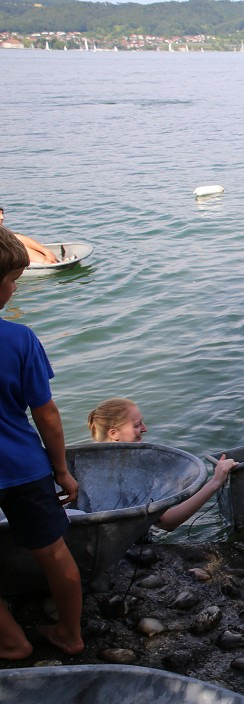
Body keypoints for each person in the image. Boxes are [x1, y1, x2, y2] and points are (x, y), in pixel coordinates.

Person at [0, 226, 83, 658]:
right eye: (12, 279)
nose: (15, 287)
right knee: (53, 552)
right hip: (24, 466)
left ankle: (12, 642)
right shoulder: (19, 339)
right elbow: (46, 414)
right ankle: (70, 634)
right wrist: (62, 469)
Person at [86, 398, 238, 532]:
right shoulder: (124, 475)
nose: (145, 429)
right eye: (137, 425)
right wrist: (215, 482)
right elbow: (167, 523)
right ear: (114, 434)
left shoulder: (89, 464)